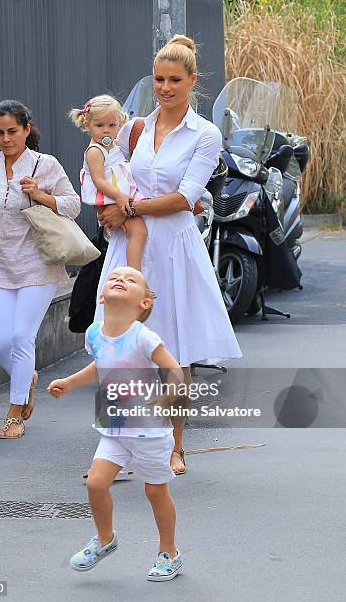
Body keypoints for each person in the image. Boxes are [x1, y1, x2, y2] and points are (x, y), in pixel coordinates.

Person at [96, 35, 242, 474]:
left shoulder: (206, 134)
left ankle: (175, 445)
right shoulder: (136, 127)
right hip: (130, 245)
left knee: (173, 354)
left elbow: (185, 198)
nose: (164, 87)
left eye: (175, 80)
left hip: (174, 248)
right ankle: (118, 452)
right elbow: (108, 167)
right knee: (120, 349)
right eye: (158, 79)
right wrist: (110, 205)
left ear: (192, 80)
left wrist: (130, 208)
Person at [0, 100, 81, 439]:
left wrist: (42, 195)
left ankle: (14, 413)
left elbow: (73, 204)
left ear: (26, 130)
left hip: (39, 263)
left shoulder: (44, 164)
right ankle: (27, 377)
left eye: (12, 131)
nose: (6, 138)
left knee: (22, 336)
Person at [48, 266, 184, 581]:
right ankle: (105, 539)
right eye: (114, 277)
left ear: (144, 303)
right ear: (102, 295)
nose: (120, 279)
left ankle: (169, 552)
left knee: (155, 491)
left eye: (131, 279)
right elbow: (100, 365)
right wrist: (69, 382)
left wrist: (166, 399)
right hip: (113, 427)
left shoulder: (143, 337)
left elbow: (175, 371)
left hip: (149, 431)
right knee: (96, 482)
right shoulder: (95, 333)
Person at [70, 95, 147, 270]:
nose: (106, 130)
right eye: (99, 125)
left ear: (119, 124)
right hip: (109, 198)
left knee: (137, 230)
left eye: (111, 125)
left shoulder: (112, 144)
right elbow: (98, 180)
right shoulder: (95, 151)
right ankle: (135, 275)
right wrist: (119, 196)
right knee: (139, 232)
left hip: (116, 196)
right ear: (87, 124)